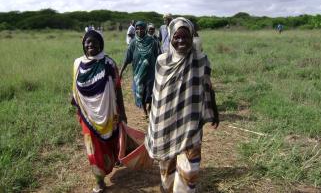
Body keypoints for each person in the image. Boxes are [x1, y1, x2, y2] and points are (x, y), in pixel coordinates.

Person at [145, 17, 219, 193]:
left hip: (191, 121)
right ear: (170, 38)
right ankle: (167, 187)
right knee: (167, 163)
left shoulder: (201, 59)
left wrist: (214, 111)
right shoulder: (162, 61)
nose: (181, 41)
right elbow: (158, 93)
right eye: (177, 37)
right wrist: (152, 114)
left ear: (192, 36)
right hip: (166, 122)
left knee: (190, 168)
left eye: (185, 37)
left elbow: (207, 86)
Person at [71, 30, 127, 193]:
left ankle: (113, 160)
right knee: (91, 148)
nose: (91, 45)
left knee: (109, 142)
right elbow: (74, 86)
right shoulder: (77, 63)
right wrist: (74, 100)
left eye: (94, 42)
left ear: (100, 44)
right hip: (86, 114)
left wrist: (122, 112)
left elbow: (117, 88)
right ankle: (99, 180)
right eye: (87, 42)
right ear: (83, 45)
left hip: (109, 113)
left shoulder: (108, 63)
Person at [120, 21, 161, 117]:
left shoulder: (152, 42)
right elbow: (127, 58)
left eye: (141, 28)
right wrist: (121, 72)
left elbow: (157, 56)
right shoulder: (133, 43)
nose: (139, 30)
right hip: (138, 73)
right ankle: (144, 111)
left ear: (145, 29)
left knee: (150, 90)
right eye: (137, 29)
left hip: (151, 72)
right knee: (140, 91)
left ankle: (150, 106)